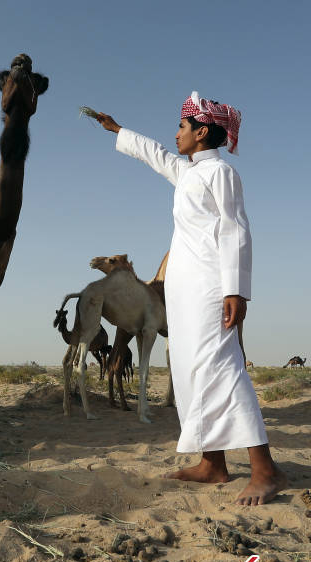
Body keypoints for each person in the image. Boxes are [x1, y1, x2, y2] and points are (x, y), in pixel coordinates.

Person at [96, 92, 286, 505]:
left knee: (223, 368)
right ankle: (213, 464)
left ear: (202, 133)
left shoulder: (222, 173)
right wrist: (118, 131)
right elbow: (157, 154)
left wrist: (236, 288)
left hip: (211, 288)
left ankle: (265, 469)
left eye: (182, 126)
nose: (176, 133)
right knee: (189, 370)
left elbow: (237, 230)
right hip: (183, 291)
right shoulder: (189, 173)